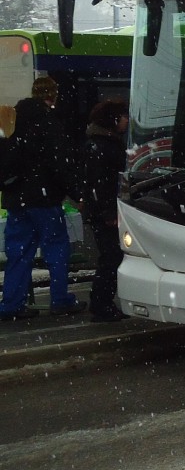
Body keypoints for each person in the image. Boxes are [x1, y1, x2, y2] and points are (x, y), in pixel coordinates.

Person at [0, 77, 85, 320]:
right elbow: (59, 164)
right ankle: (60, 299)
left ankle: (12, 304)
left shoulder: (13, 119)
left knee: (19, 253)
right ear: (54, 96)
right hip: (44, 200)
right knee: (56, 248)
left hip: (17, 199)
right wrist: (77, 193)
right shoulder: (48, 122)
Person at [80, 99, 129, 322]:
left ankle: (102, 302)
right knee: (111, 258)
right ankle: (101, 304)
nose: (127, 121)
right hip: (107, 212)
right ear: (113, 119)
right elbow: (101, 183)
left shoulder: (96, 143)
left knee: (110, 257)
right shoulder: (105, 146)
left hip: (102, 210)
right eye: (123, 116)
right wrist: (108, 212)